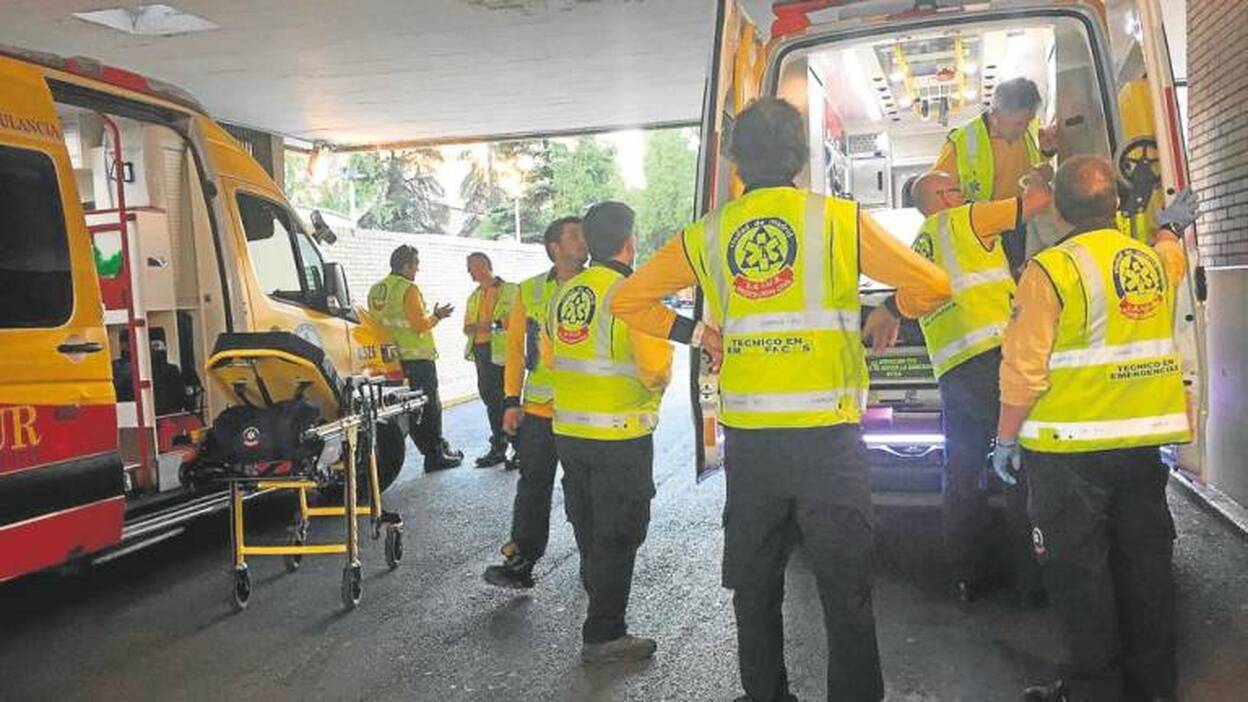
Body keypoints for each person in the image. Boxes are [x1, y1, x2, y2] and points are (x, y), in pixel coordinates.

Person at [612, 96, 952, 702]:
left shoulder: (708, 234)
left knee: (756, 586)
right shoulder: (837, 221)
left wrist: (699, 333)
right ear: (800, 158)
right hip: (829, 441)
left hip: (753, 447)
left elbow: (628, 300)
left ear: (735, 161)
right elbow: (933, 283)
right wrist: (890, 309)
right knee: (845, 589)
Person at [990, 156, 1198, 702]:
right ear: (1116, 205)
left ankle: (1095, 691)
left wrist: (1005, 439)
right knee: (1145, 569)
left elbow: (1023, 370)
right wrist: (1169, 228)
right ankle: (1153, 689)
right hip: (1139, 450)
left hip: (1067, 454)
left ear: (1058, 210)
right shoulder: (1149, 262)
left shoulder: (1050, 271)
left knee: (1080, 578)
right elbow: (1172, 257)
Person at [862, 170, 1052, 605]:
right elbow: (1038, 201)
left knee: (963, 472)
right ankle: (1031, 583)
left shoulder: (917, 248)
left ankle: (968, 577)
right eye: (957, 190)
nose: (963, 195)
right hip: (994, 357)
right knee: (1018, 466)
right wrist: (1037, 171)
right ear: (945, 197)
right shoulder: (968, 219)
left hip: (953, 369)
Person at [548, 201, 672, 665]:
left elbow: (552, 356)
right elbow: (654, 371)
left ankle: (597, 594)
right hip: (620, 434)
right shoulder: (633, 295)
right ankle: (604, 633)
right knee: (620, 534)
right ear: (629, 241)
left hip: (570, 431)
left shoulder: (565, 293)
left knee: (589, 523)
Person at [483, 216, 588, 588]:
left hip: (584, 410)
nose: (583, 240)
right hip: (540, 409)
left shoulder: (598, 284)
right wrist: (511, 401)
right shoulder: (529, 290)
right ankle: (522, 561)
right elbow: (515, 351)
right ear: (554, 247)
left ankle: (594, 561)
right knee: (533, 487)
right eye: (574, 235)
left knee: (584, 490)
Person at [932, 76, 1059, 269]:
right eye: (1019, 123)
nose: (1024, 129)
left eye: (1028, 122)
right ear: (996, 114)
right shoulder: (962, 142)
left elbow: (1031, 161)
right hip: (984, 232)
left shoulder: (1027, 130)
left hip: (1024, 224)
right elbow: (933, 195)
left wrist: (1046, 155)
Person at [368, 245, 464, 472]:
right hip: (417, 358)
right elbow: (419, 325)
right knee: (429, 407)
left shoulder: (377, 289)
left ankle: (431, 448)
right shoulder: (408, 289)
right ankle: (435, 454)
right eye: (415, 265)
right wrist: (437, 316)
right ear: (406, 266)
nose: (417, 270)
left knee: (409, 408)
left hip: (391, 360)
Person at [463, 252, 519, 468]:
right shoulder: (474, 296)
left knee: (509, 401)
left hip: (505, 354)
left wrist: (490, 325)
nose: (469, 271)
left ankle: (520, 449)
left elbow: (516, 320)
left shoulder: (511, 290)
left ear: (485, 265)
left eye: (471, 267)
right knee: (491, 402)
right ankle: (498, 447)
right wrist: (489, 325)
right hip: (482, 352)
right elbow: (467, 328)